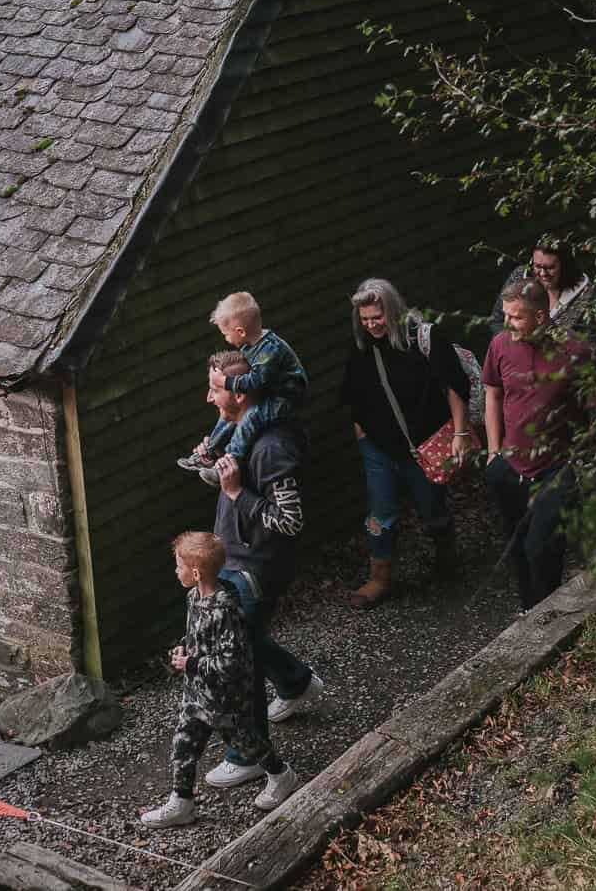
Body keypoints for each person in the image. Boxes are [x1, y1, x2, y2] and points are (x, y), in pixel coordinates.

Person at [203, 349, 326, 791]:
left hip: (256, 568)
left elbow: (289, 520)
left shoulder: (272, 447)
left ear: (244, 392)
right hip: (234, 557)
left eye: (216, 389)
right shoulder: (237, 431)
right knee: (248, 640)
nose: (209, 397)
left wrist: (237, 494)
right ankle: (296, 683)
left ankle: (247, 756)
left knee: (237, 659)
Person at [139, 531, 300, 828]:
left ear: (196, 572)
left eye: (179, 566)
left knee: (249, 744)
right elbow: (197, 634)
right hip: (196, 694)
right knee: (183, 745)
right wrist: (185, 646)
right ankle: (181, 802)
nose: (176, 571)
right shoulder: (194, 597)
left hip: (226, 699)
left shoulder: (226, 609)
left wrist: (192, 662)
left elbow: (232, 661)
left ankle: (281, 775)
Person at [338, 278, 474, 609]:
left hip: (424, 443)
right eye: (365, 318)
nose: (372, 325)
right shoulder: (360, 345)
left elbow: (454, 385)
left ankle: (445, 553)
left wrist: (460, 433)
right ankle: (380, 577)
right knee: (381, 512)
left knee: (431, 506)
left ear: (393, 310)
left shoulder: (423, 338)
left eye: (377, 317)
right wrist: (361, 431)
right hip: (379, 448)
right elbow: (352, 392)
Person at [482, 280, 593, 610]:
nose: (507, 324)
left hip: (556, 469)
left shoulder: (575, 351)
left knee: (541, 547)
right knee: (516, 544)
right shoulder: (500, 345)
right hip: (510, 467)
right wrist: (492, 451)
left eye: (516, 317)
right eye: (506, 315)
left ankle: (548, 614)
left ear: (541, 317)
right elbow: (492, 394)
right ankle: (529, 609)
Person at [178, 291, 309, 484]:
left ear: (240, 332)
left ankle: (227, 464)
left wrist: (224, 382)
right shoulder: (251, 344)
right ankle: (209, 453)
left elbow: (254, 381)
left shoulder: (269, 351)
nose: (225, 339)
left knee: (252, 416)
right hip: (272, 389)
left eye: (225, 334)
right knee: (229, 415)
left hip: (286, 396)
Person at [494, 237, 593, 331]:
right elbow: (497, 319)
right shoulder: (519, 276)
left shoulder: (584, 293)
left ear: (565, 266)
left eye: (550, 267)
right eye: (537, 266)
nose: (543, 273)